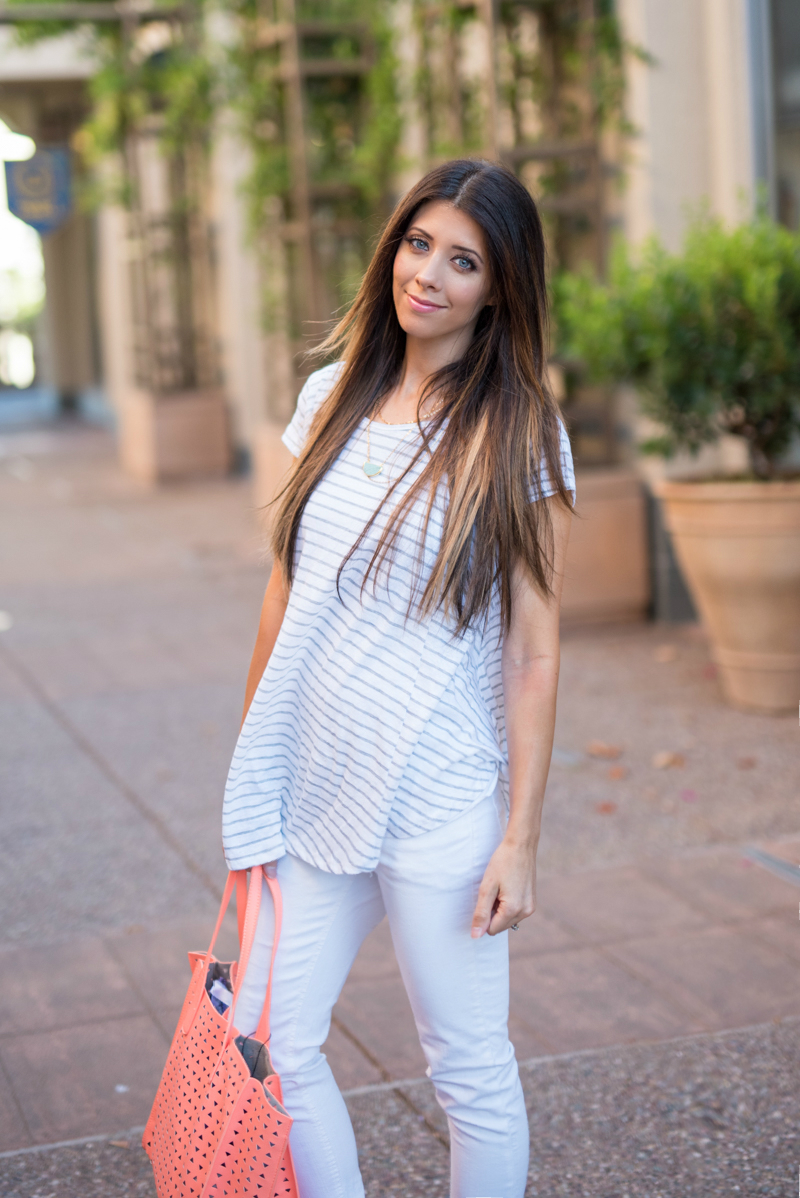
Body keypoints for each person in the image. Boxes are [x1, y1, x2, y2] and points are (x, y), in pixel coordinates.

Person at [224, 158, 575, 1198]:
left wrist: (519, 836)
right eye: (418, 243)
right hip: (317, 781)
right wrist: (257, 763)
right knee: (271, 1038)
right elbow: (283, 596)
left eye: (461, 259)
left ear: (498, 287)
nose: (428, 273)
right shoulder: (329, 395)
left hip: (438, 793)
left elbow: (533, 646)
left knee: (465, 1068)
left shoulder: (514, 429)